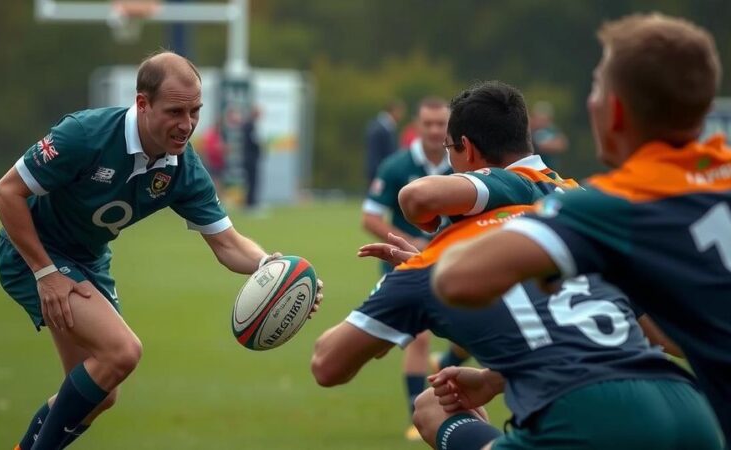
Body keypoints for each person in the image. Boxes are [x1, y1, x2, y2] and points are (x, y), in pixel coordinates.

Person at [312, 81, 721, 450]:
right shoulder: (573, 233)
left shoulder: (445, 258)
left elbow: (326, 365)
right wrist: (493, 380)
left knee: (432, 408)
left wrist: (418, 272)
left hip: (585, 420)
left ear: (467, 152)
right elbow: (655, 338)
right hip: (689, 411)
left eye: (450, 152)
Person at [0, 51, 321, 450]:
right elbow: (6, 193)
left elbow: (228, 243)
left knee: (102, 392)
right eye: (175, 112)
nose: (187, 125)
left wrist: (275, 270)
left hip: (88, 260)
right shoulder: (84, 134)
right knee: (121, 352)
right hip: (32, 253)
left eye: (195, 111)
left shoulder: (182, 168)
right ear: (142, 104)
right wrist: (46, 274)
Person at [431, 13, 731, 445]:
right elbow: (674, 338)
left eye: (596, 86)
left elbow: (457, 279)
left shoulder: (614, 205)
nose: (590, 101)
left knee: (435, 417)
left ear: (614, 110)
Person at [361, 96, 467, 440]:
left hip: (456, 266)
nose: (435, 130)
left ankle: (449, 357)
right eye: (428, 124)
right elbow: (370, 217)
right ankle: (416, 415)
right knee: (418, 338)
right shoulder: (396, 166)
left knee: (473, 331)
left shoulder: (463, 166)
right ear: (417, 126)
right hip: (408, 266)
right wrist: (412, 242)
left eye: (441, 124)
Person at [365, 99, 406, 184]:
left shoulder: (383, 126)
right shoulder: (379, 128)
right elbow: (374, 154)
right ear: (393, 111)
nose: (401, 116)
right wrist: (376, 175)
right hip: (380, 174)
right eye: (400, 112)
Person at [529, 101, 568, 170]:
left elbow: (562, 144)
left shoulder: (551, 130)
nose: (540, 122)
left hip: (550, 169)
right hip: (533, 169)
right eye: (539, 119)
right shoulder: (529, 131)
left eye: (544, 119)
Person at [241, 106, 262, 209]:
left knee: (251, 181)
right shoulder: (250, 125)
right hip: (250, 158)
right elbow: (254, 142)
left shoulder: (249, 125)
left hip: (249, 157)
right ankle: (251, 203)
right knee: (251, 181)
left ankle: (251, 202)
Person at [201, 119, 226, 197]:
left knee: (218, 180)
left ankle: (218, 196)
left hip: (218, 162)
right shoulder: (210, 135)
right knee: (214, 180)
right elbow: (207, 149)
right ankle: (214, 196)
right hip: (212, 162)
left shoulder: (219, 135)